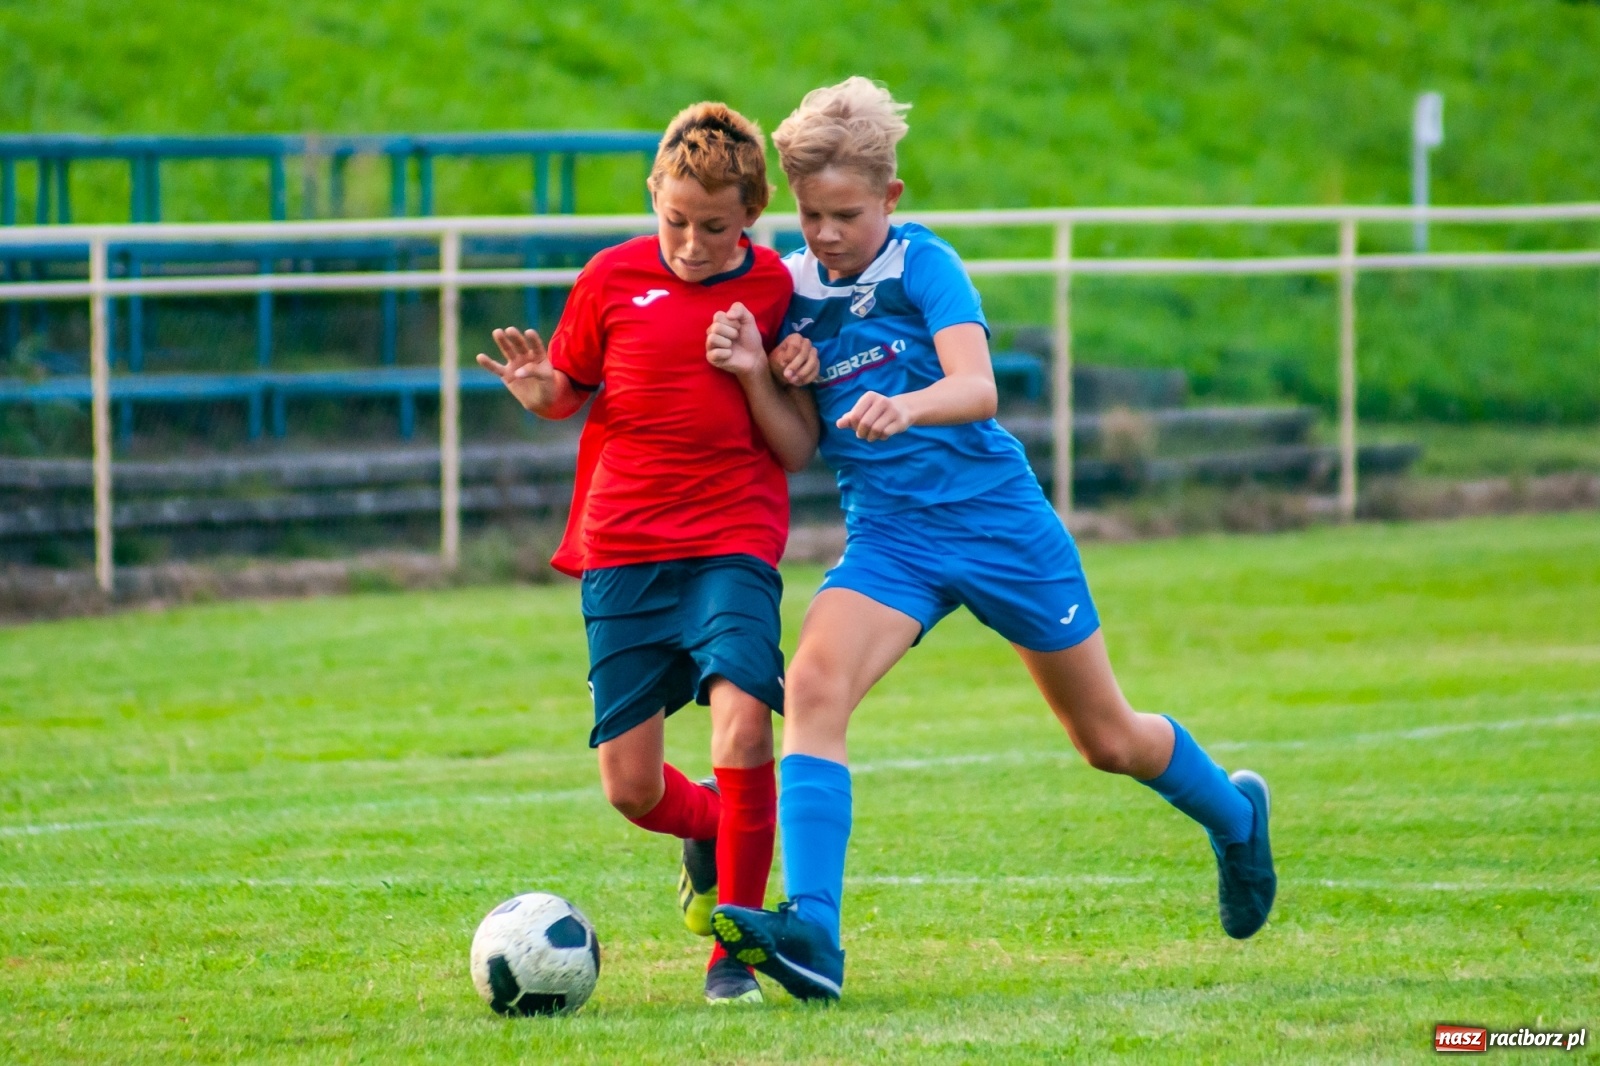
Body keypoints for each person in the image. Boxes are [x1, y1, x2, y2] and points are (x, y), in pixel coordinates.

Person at [705, 78, 1277, 1003]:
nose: (825, 234)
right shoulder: (793, 289)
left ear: (891, 200)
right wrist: (765, 373)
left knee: (1106, 739)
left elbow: (979, 387)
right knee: (810, 682)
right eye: (810, 215)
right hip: (890, 540)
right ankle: (814, 933)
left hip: (1000, 526)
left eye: (846, 214)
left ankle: (1236, 818)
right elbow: (802, 443)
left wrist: (909, 402)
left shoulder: (926, 264)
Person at [476, 101, 813, 1005]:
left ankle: (734, 951)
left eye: (715, 227)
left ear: (750, 217)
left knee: (745, 724)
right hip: (622, 548)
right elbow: (567, 391)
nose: (694, 244)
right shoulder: (609, 278)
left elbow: (795, 446)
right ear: (652, 196)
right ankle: (712, 826)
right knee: (631, 789)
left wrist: (754, 367)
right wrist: (535, 386)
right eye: (676, 221)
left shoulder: (779, 290)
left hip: (732, 543)